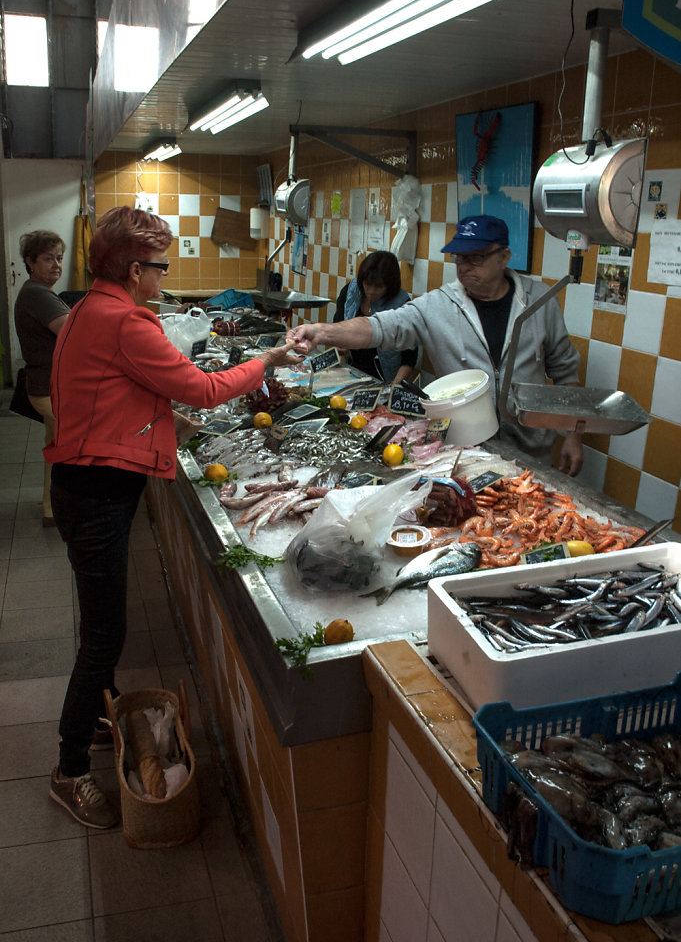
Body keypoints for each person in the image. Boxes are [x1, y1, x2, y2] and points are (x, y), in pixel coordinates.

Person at [45, 206, 303, 829]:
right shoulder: (127, 320)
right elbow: (205, 388)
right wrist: (269, 360)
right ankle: (69, 768)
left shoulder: (88, 307)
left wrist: (163, 423)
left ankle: (96, 724)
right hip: (97, 492)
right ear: (135, 270)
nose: (164, 276)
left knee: (106, 627)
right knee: (104, 634)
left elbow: (114, 392)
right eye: (160, 266)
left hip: (88, 481)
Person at [288, 215, 583, 475]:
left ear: (503, 256)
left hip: (531, 450)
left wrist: (572, 433)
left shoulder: (540, 302)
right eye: (459, 259)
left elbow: (564, 371)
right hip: (462, 449)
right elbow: (379, 327)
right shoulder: (438, 305)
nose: (465, 268)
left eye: (476, 258)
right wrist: (322, 331)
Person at [13, 231, 72, 527]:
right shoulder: (38, 294)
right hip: (49, 390)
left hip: (47, 387)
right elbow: (73, 335)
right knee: (70, 448)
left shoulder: (38, 292)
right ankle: (67, 507)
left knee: (55, 445)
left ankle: (51, 508)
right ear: (30, 262)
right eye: (48, 258)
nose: (57, 265)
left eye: (59, 258)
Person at [333, 250, 417, 384]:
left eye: (379, 286)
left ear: (390, 285)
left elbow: (409, 358)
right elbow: (338, 325)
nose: (371, 291)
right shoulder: (351, 292)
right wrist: (340, 343)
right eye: (368, 284)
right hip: (353, 374)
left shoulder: (402, 305)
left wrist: (393, 388)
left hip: (387, 378)